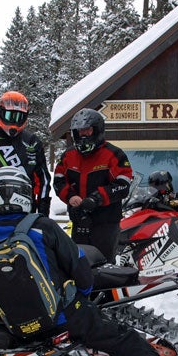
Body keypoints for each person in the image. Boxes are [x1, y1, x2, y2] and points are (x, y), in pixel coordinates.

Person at [0, 166, 178, 356]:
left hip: (16, 325)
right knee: (120, 337)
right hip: (63, 316)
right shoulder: (42, 226)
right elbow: (80, 269)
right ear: (24, 194)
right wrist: (80, 298)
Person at [54, 108, 133, 263]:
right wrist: (70, 197)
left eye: (87, 131)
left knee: (105, 265)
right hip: (79, 222)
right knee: (79, 265)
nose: (83, 135)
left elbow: (123, 184)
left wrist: (97, 198)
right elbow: (58, 180)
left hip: (106, 224)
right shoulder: (68, 156)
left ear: (97, 130)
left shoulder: (114, 154)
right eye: (79, 132)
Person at [0, 90, 51, 216]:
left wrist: (43, 205)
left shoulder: (32, 141)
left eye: (19, 117)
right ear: (0, 113)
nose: (14, 122)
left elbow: (43, 178)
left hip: (26, 203)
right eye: (10, 116)